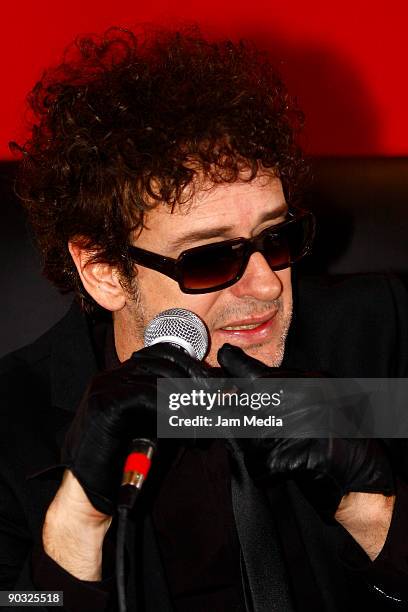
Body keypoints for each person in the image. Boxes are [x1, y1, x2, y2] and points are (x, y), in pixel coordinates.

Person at [1, 26, 408, 612]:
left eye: (277, 237)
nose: (266, 284)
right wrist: (78, 519)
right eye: (212, 258)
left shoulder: (375, 338)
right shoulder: (13, 422)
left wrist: (373, 512)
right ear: (104, 272)